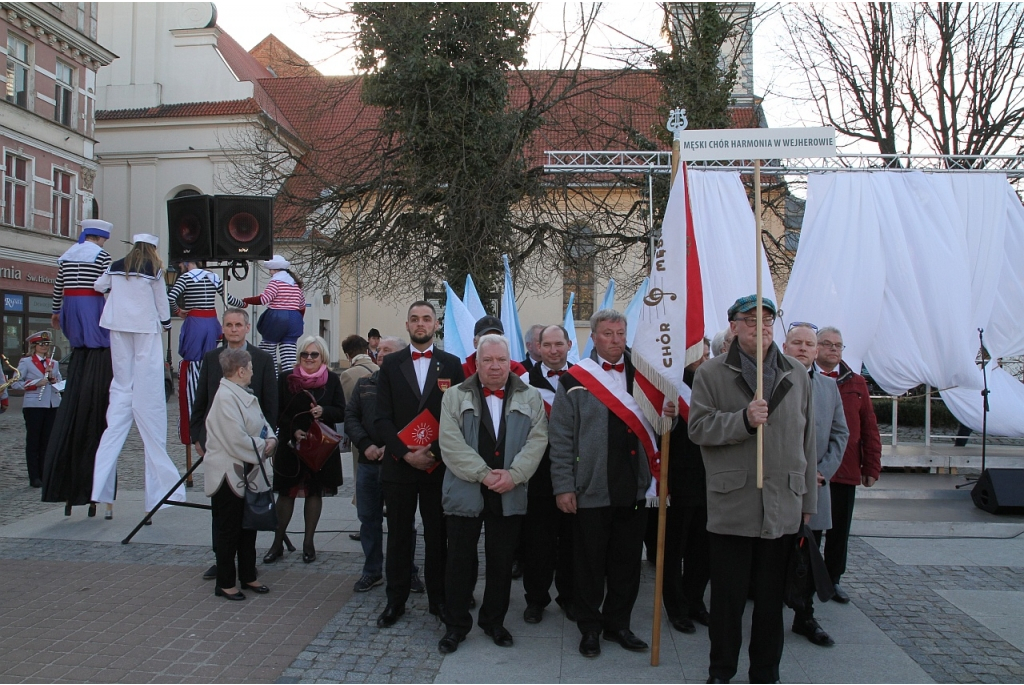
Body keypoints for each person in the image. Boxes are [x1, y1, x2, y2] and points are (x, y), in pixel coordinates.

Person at [688, 295, 817, 685]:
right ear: (733, 326)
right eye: (749, 319)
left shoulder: (795, 372)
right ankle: (721, 671)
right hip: (734, 506)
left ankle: (766, 674)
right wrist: (742, 420)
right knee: (727, 603)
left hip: (783, 505)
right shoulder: (711, 374)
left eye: (766, 319)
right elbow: (699, 429)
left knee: (769, 605)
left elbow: (806, 439)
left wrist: (808, 498)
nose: (759, 326)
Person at [548, 309, 677, 658]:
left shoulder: (646, 378)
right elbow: (560, 438)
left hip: (634, 486)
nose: (615, 340)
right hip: (591, 485)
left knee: (626, 563)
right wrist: (563, 486)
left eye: (620, 333)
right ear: (594, 336)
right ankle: (589, 628)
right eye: (608, 334)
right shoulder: (574, 379)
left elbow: (662, 431)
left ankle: (618, 623)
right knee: (589, 564)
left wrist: (670, 415)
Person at [436, 334, 547, 653]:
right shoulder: (454, 396)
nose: (495, 366)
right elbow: (450, 444)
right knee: (459, 562)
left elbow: (538, 440)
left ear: (509, 360)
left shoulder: (530, 396)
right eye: (488, 360)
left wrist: (515, 476)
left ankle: (493, 622)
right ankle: (456, 625)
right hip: (464, 491)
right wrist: (485, 475)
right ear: (477, 362)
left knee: (501, 562)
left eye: (501, 359)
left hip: (509, 492)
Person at [374, 301, 465, 628]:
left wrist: (435, 452)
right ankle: (395, 601)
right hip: (399, 467)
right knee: (398, 536)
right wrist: (403, 452)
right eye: (414, 319)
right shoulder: (390, 364)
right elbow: (380, 417)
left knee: (438, 537)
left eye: (426, 318)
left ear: (436, 324)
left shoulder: (452, 365)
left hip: (437, 467)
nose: (420, 324)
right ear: (408, 324)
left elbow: (458, 419)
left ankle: (438, 600)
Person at [91, 234, 185, 517]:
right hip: (144, 327)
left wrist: (116, 297)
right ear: (152, 248)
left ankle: (99, 489)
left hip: (118, 325)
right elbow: (161, 302)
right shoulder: (154, 270)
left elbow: (99, 286)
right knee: (147, 384)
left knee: (122, 380)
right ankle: (160, 492)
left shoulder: (117, 265)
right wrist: (167, 323)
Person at [190, 309, 278, 581]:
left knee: (248, 514)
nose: (233, 329)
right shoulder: (211, 358)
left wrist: (270, 439)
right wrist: (198, 437)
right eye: (228, 325)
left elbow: (270, 404)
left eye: (238, 324)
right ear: (223, 329)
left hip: (253, 452)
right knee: (223, 516)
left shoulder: (262, 359)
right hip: (221, 450)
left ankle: (247, 567)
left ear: (247, 327)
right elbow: (202, 401)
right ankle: (223, 561)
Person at [783, 323, 849, 646]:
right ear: (785, 346)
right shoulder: (771, 381)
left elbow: (841, 434)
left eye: (810, 344)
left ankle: (804, 615)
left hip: (816, 487)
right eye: (797, 342)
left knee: (811, 553)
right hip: (779, 487)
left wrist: (824, 470)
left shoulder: (828, 387)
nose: (804, 348)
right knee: (775, 554)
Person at [43, 220, 114, 516]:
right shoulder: (101, 258)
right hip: (91, 305)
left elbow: (58, 288)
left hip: (71, 308)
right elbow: (108, 286)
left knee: (81, 342)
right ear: (102, 238)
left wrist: (56, 312)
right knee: (97, 337)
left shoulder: (68, 255)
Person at [345, 336, 425, 594]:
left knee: (402, 522)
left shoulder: (411, 388)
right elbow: (351, 417)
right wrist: (366, 444)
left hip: (398, 462)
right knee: (368, 519)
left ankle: (407, 571)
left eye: (387, 351)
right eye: (379, 350)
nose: (380, 354)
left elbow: (413, 424)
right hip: (368, 463)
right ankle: (372, 570)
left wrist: (391, 447)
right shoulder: (364, 384)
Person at [264, 335, 345, 564]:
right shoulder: (287, 380)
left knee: (314, 493)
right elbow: (276, 412)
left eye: (314, 354)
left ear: (323, 357)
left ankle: (308, 543)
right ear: (298, 356)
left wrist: (324, 411)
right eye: (304, 354)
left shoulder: (332, 381)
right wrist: (292, 432)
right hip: (292, 446)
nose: (309, 358)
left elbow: (341, 411)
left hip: (320, 448)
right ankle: (277, 543)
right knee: (286, 494)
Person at [203, 347, 277, 601]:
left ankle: (248, 575)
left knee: (248, 528)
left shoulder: (244, 394)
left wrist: (272, 439)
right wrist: (264, 446)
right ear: (241, 370)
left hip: (248, 473)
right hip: (228, 476)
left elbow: (264, 423)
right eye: (251, 369)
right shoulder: (225, 397)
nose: (253, 373)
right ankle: (225, 583)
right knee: (229, 530)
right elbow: (236, 439)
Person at [816, 325, 882, 603]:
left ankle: (833, 579)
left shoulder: (856, 383)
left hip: (845, 470)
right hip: (815, 470)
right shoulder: (803, 379)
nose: (833, 349)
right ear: (816, 347)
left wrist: (871, 466)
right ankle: (802, 577)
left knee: (839, 532)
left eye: (838, 345)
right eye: (827, 344)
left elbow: (869, 426)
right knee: (810, 530)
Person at [522, 324, 576, 624]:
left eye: (559, 344)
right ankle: (536, 599)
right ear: (538, 348)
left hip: (572, 471)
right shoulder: (523, 381)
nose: (554, 350)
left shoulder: (584, 378)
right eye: (548, 345)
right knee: (538, 541)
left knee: (571, 540)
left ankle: (568, 596)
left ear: (569, 345)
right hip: (538, 472)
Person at [659, 339, 712, 635]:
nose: (703, 360)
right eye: (698, 355)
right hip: (678, 481)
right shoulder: (671, 386)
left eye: (707, 355)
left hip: (712, 481)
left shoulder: (714, 383)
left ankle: (695, 602)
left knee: (702, 548)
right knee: (674, 549)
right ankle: (676, 607)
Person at [167, 260, 244, 442]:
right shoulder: (213, 277)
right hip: (211, 321)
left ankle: (196, 406)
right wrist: (243, 303)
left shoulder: (185, 278)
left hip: (195, 321)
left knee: (193, 363)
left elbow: (171, 297)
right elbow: (228, 298)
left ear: (187, 263)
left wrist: (178, 311)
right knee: (210, 362)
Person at [241, 255, 306, 374]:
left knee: (267, 351)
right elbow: (302, 306)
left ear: (274, 270)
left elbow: (264, 299)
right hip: (294, 319)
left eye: (270, 270)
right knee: (289, 356)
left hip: (277, 319)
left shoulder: (275, 282)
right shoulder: (295, 285)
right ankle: (290, 383)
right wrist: (299, 320)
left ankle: (272, 379)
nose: (270, 273)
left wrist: (246, 300)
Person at [15, 332, 62, 488]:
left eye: (47, 344)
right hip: (34, 405)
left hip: (51, 405)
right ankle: (34, 476)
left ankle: (45, 474)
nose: (45, 347)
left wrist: (54, 380)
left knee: (47, 442)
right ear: (34, 346)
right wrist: (36, 383)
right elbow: (15, 383)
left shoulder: (53, 363)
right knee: (34, 441)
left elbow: (60, 382)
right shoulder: (26, 362)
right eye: (41, 344)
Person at [340, 334, 379, 518]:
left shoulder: (349, 374)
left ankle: (364, 515)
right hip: (379, 433)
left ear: (348, 355)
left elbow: (348, 409)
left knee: (360, 478)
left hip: (361, 436)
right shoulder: (378, 367)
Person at [462, 316, 529, 379]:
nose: (491, 343)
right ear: (475, 342)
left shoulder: (517, 370)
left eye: (496, 338)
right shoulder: (462, 371)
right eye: (485, 339)